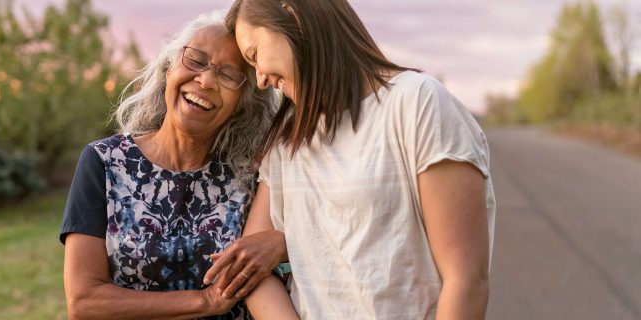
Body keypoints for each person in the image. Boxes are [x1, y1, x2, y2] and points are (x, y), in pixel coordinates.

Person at [203, 0, 496, 319]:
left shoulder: (418, 104)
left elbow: (466, 280)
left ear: (293, 17)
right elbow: (250, 272)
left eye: (254, 55)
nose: (260, 79)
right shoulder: (288, 137)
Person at [59, 10, 282, 319]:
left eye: (228, 75)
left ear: (244, 102)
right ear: (168, 68)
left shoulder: (252, 175)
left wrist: (281, 244)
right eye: (195, 60)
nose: (205, 80)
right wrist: (205, 301)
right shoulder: (104, 162)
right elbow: (84, 301)